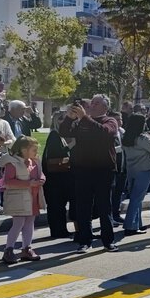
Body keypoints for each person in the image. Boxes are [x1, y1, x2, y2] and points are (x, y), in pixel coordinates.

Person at [58, 95, 120, 253]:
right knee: (83, 207)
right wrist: (69, 118)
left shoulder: (110, 121)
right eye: (92, 103)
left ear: (105, 107)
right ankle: (84, 241)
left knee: (104, 206)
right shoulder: (81, 122)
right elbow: (64, 132)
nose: (92, 105)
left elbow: (104, 133)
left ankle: (108, 241)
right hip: (83, 170)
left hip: (103, 171)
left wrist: (84, 117)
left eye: (97, 103)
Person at [0, 137, 45, 264]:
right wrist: (29, 183)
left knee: (30, 222)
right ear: (24, 150)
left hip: (32, 197)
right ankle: (9, 249)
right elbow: (8, 181)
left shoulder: (34, 161)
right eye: (34, 149)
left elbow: (40, 173)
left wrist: (41, 179)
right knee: (18, 223)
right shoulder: (12, 163)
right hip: (18, 199)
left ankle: (27, 248)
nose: (36, 152)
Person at [121, 113, 150, 236]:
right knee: (137, 198)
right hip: (144, 169)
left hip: (132, 169)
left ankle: (136, 224)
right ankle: (130, 225)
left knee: (135, 197)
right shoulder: (142, 138)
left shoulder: (126, 137)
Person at [41, 111, 74, 239]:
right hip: (54, 178)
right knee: (56, 205)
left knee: (59, 205)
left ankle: (61, 229)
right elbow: (56, 154)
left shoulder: (60, 135)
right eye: (61, 119)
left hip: (58, 177)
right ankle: (57, 231)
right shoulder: (54, 135)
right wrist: (72, 145)